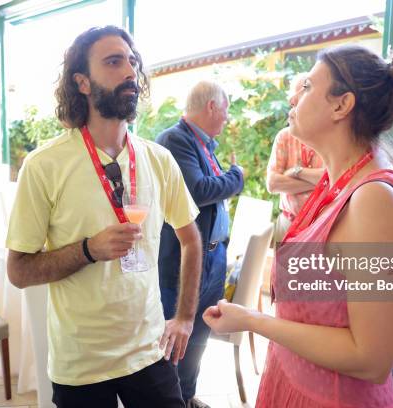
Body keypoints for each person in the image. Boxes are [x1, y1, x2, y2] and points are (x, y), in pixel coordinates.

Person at [204, 44, 393, 407]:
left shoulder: (374, 201)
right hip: (293, 384)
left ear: (341, 105)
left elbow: (371, 358)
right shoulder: (335, 184)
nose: (294, 98)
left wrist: (254, 320)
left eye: (306, 87)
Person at [6, 26, 203, 408]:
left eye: (132, 61)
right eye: (113, 62)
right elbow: (19, 271)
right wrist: (88, 250)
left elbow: (191, 238)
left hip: (150, 352)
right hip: (81, 365)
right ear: (82, 82)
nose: (129, 71)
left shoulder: (158, 160)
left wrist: (184, 318)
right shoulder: (44, 165)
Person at [156, 81, 244, 408]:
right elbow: (199, 189)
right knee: (175, 339)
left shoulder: (205, 144)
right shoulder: (175, 139)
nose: (227, 117)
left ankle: (186, 397)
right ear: (211, 106)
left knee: (199, 337)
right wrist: (237, 176)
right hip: (184, 261)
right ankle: (169, 400)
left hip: (212, 258)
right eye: (226, 109)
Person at [267, 74, 325, 242]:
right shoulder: (284, 136)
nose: (294, 104)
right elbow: (272, 184)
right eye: (293, 100)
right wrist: (318, 182)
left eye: (302, 95)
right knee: (282, 268)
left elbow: (336, 181)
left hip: (320, 227)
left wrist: (296, 171)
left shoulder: (329, 136)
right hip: (287, 223)